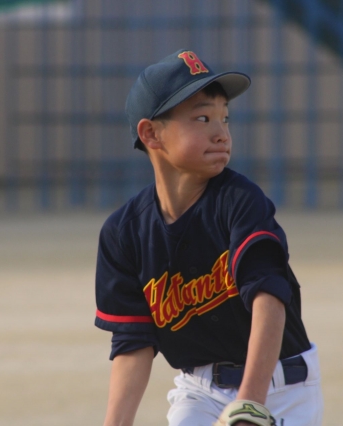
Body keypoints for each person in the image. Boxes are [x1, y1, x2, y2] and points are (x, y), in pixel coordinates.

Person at [94, 49, 323, 426]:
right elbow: (133, 342)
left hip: (281, 388)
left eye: (224, 117)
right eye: (202, 118)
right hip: (199, 391)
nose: (221, 133)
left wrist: (250, 405)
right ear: (151, 133)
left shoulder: (240, 201)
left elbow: (268, 297)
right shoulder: (124, 233)